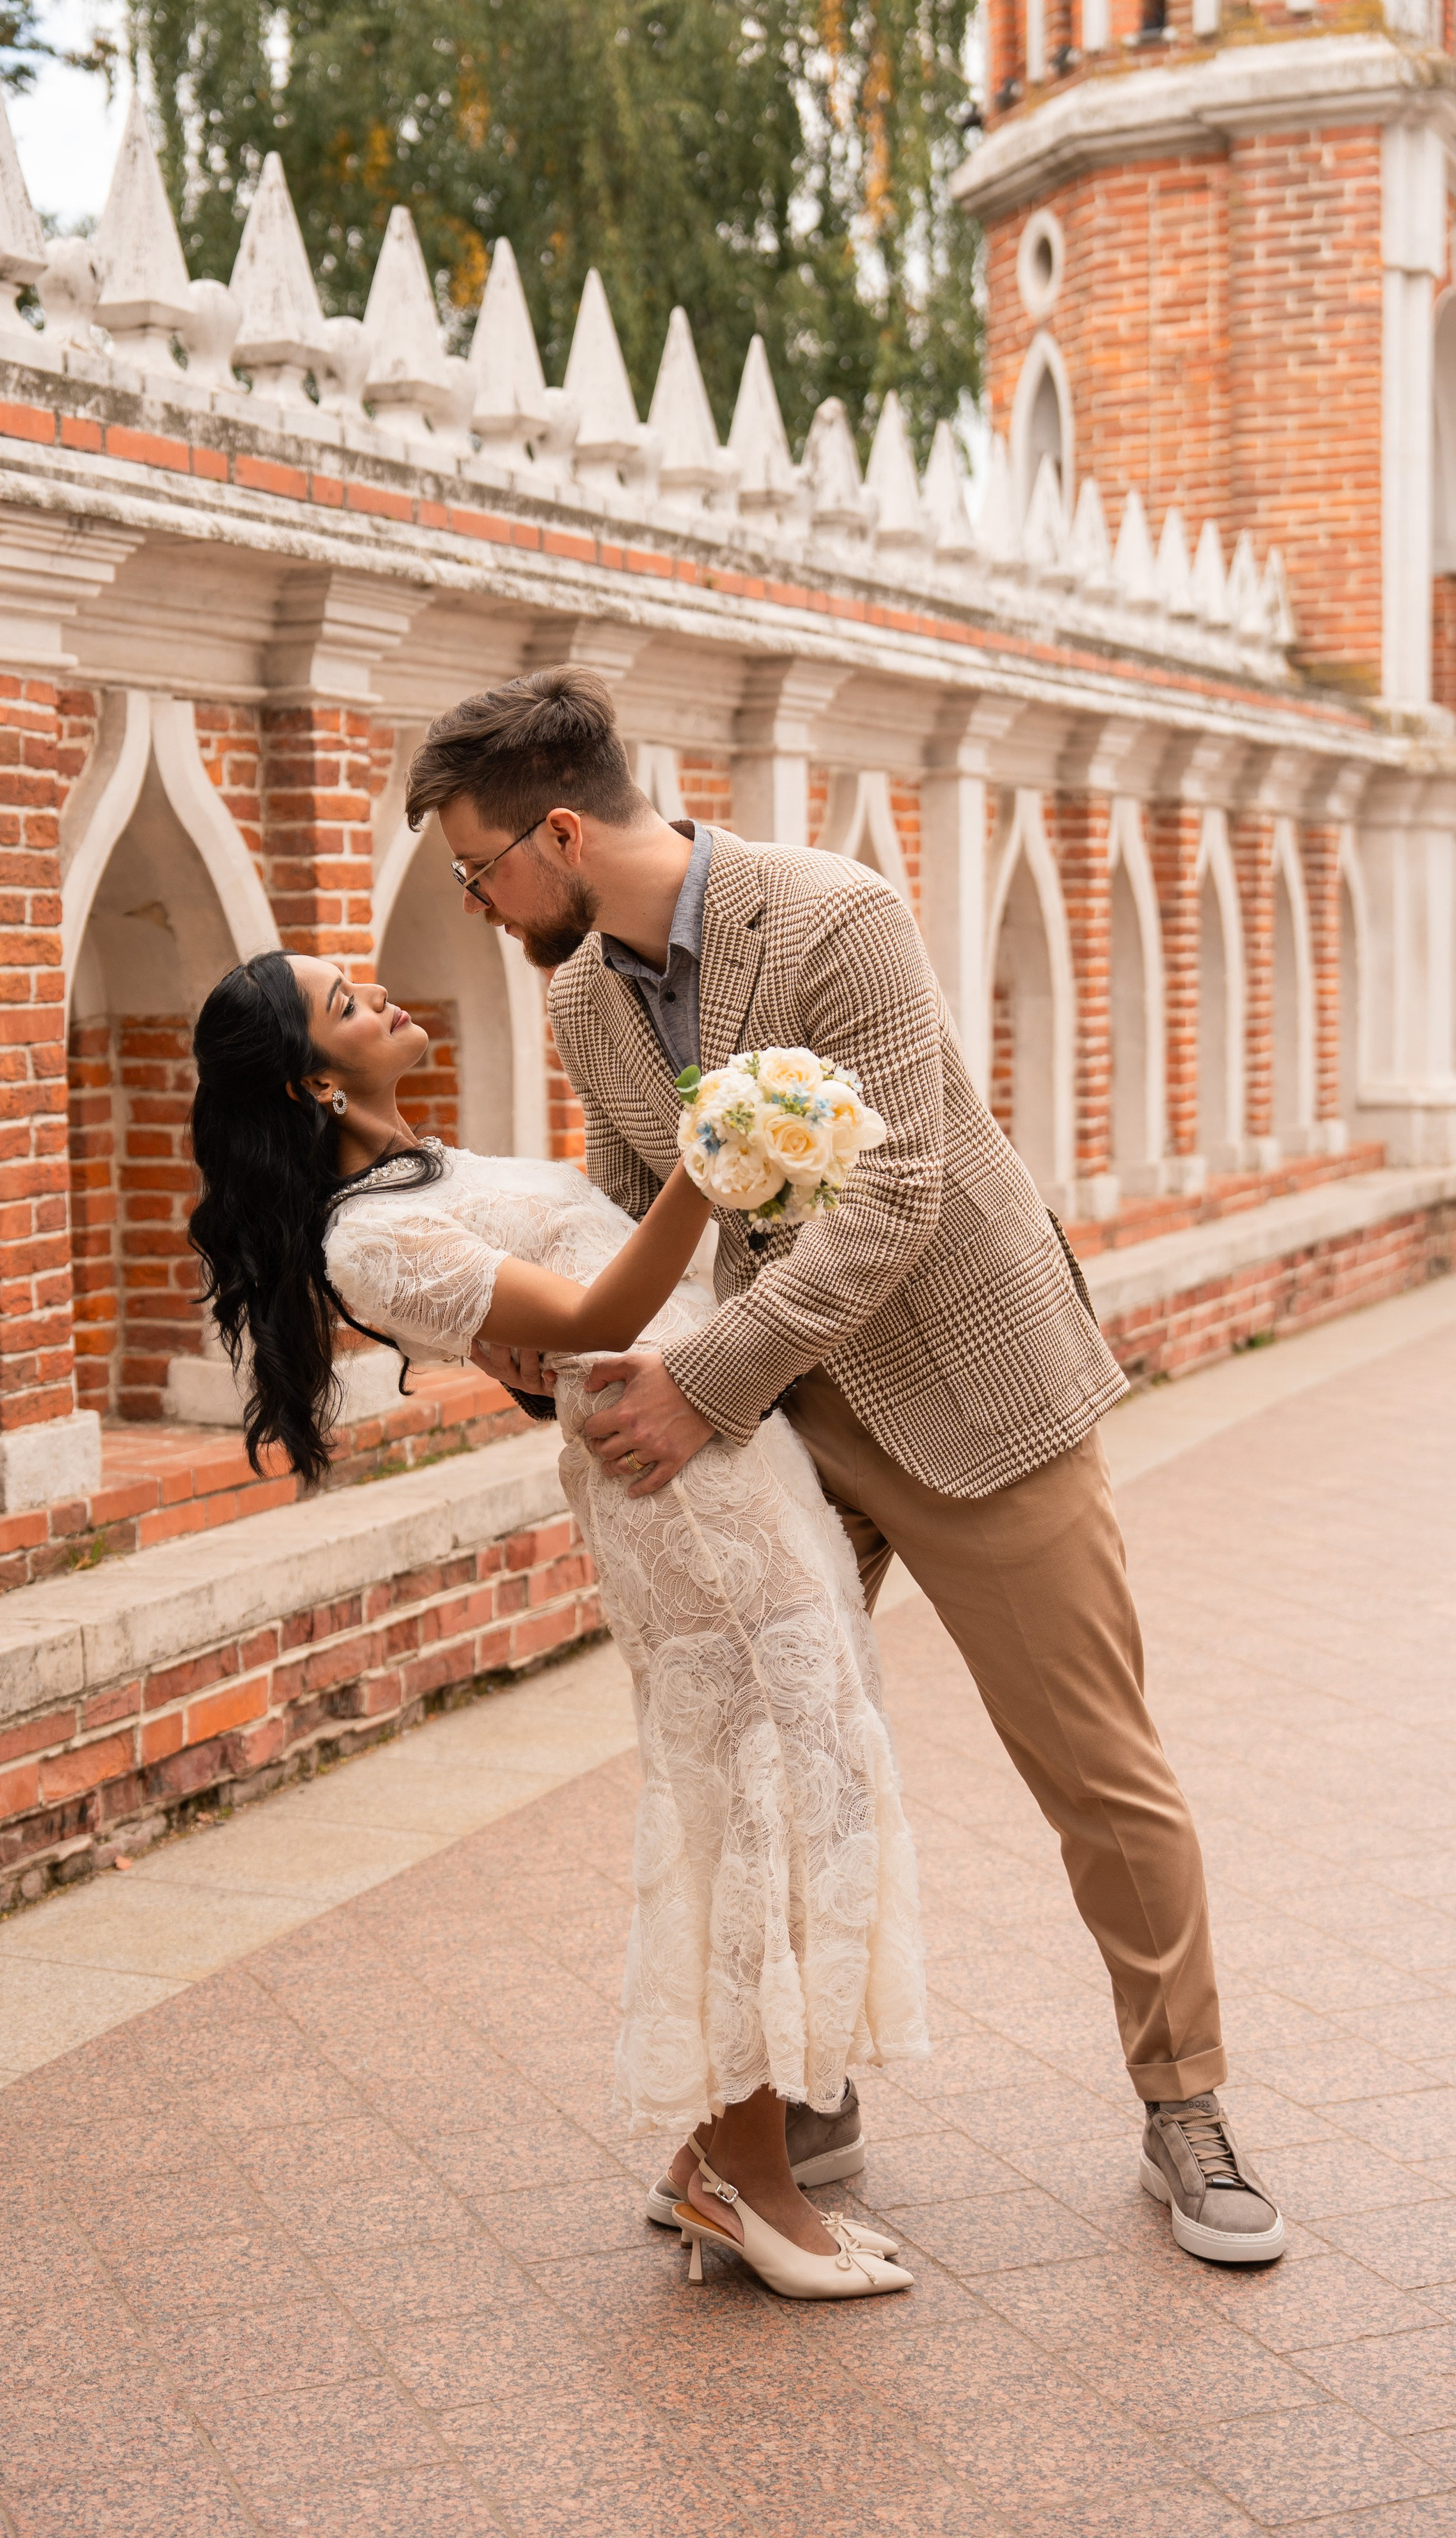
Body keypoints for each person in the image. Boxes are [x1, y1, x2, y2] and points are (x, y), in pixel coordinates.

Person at [406, 663, 1287, 2271]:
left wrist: (699, 1389)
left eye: (478, 868)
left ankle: (1187, 2106)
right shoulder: (583, 995)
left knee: (1092, 1767)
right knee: (776, 1756)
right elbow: (628, 1220)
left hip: (968, 1395)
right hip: (781, 1431)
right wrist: (538, 1331)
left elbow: (893, 1199)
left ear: (554, 829)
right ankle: (796, 2104)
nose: (473, 903)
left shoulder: (832, 918)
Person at [187, 950, 926, 2302]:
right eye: (346, 1005)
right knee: (749, 1812)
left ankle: (716, 2161)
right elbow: (595, 1314)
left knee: (800, 1783)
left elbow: (561, 1321)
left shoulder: (429, 1176)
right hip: (677, 1502)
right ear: (308, 1080)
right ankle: (753, 2192)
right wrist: (716, 1160)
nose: (385, 992)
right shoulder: (366, 1233)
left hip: (725, 1462)